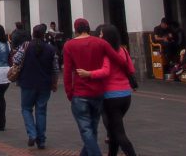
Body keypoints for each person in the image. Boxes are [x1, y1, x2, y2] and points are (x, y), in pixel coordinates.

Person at [62, 18, 130, 156]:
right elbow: (120, 60)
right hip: (97, 92)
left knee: (86, 130)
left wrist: (69, 92)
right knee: (92, 128)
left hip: (80, 92)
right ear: (88, 28)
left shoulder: (69, 45)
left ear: (76, 30)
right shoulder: (100, 43)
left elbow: (67, 72)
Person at [17, 24, 59, 149]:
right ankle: (41, 140)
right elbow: (55, 69)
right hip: (45, 84)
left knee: (26, 109)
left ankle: (32, 133)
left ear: (33, 34)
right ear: (44, 34)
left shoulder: (25, 46)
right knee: (41, 111)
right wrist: (55, 83)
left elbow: (16, 60)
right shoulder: (51, 49)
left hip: (27, 82)